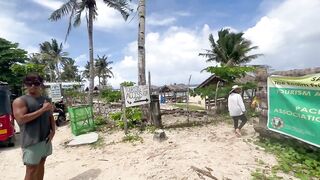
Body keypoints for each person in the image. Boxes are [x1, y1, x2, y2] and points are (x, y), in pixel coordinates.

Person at [13, 73, 55, 180]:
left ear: (41, 84)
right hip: (31, 141)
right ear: (25, 85)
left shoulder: (45, 99)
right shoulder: (20, 101)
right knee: (31, 169)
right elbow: (20, 119)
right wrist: (42, 110)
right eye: (29, 83)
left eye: (36, 83)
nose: (32, 86)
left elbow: (50, 115)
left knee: (42, 163)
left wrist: (53, 131)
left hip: (45, 139)